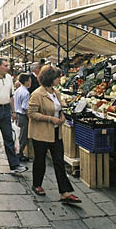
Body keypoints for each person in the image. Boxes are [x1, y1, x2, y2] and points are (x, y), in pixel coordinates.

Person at [27, 65, 82, 203]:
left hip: (56, 132)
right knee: (40, 160)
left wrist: (62, 116)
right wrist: (50, 119)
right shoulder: (37, 94)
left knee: (58, 161)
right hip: (41, 133)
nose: (59, 79)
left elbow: (58, 108)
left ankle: (65, 192)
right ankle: (37, 185)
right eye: (57, 77)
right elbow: (31, 113)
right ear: (50, 79)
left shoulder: (55, 92)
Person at [14, 73, 31, 162]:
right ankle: (19, 154)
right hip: (23, 116)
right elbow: (25, 107)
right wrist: (30, 117)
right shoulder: (26, 92)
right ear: (26, 82)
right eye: (29, 80)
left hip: (18, 114)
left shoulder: (18, 90)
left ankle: (18, 152)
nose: (30, 82)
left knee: (19, 135)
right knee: (23, 137)